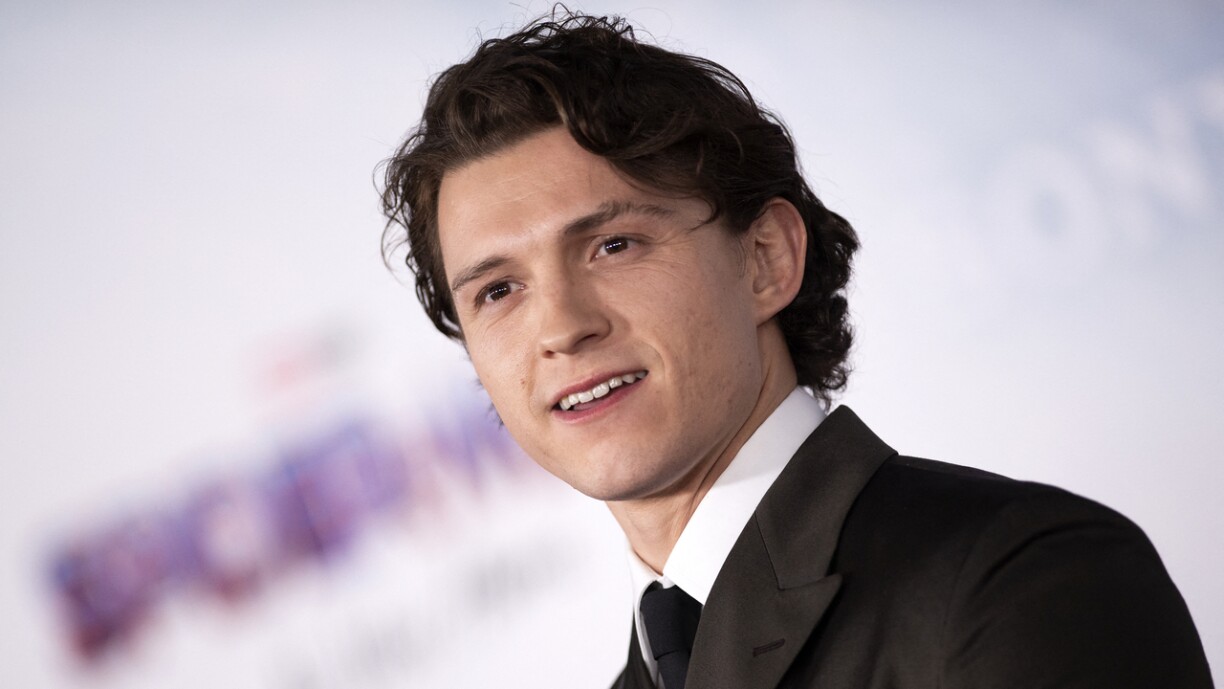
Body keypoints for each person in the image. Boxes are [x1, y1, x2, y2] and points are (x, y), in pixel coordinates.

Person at [379, 11, 1213, 689]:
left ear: (765, 259)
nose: (561, 327)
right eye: (499, 291)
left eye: (614, 245)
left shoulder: (1014, 582)